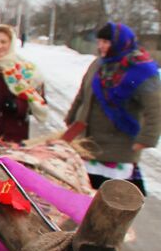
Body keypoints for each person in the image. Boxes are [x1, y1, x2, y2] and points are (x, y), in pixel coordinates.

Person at [65, 21, 161, 194]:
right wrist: (71, 119)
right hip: (88, 142)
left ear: (121, 42)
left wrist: (147, 138)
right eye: (99, 41)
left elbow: (155, 108)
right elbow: (83, 94)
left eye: (106, 42)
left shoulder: (142, 70)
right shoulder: (98, 64)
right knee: (85, 195)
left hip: (118, 147)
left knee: (112, 199)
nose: (101, 46)